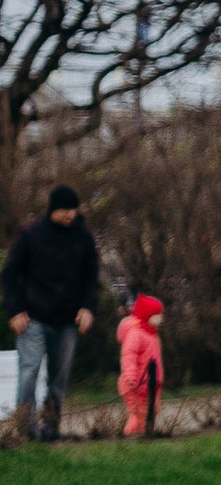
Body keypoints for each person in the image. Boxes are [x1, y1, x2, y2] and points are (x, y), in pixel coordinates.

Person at [6, 183, 100, 442]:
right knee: (30, 370)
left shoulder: (83, 238)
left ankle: (51, 425)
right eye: (65, 210)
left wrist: (88, 307)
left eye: (74, 209)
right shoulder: (32, 235)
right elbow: (10, 274)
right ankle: (25, 426)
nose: (71, 214)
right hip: (34, 317)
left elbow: (91, 278)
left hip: (68, 319)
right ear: (53, 210)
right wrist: (15, 310)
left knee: (60, 376)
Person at [118, 292, 166, 438]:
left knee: (151, 411)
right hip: (136, 384)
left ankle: (146, 434)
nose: (160, 317)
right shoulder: (135, 334)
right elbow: (129, 356)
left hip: (151, 383)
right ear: (147, 315)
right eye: (157, 314)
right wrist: (130, 376)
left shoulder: (152, 334)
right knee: (138, 414)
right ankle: (132, 435)